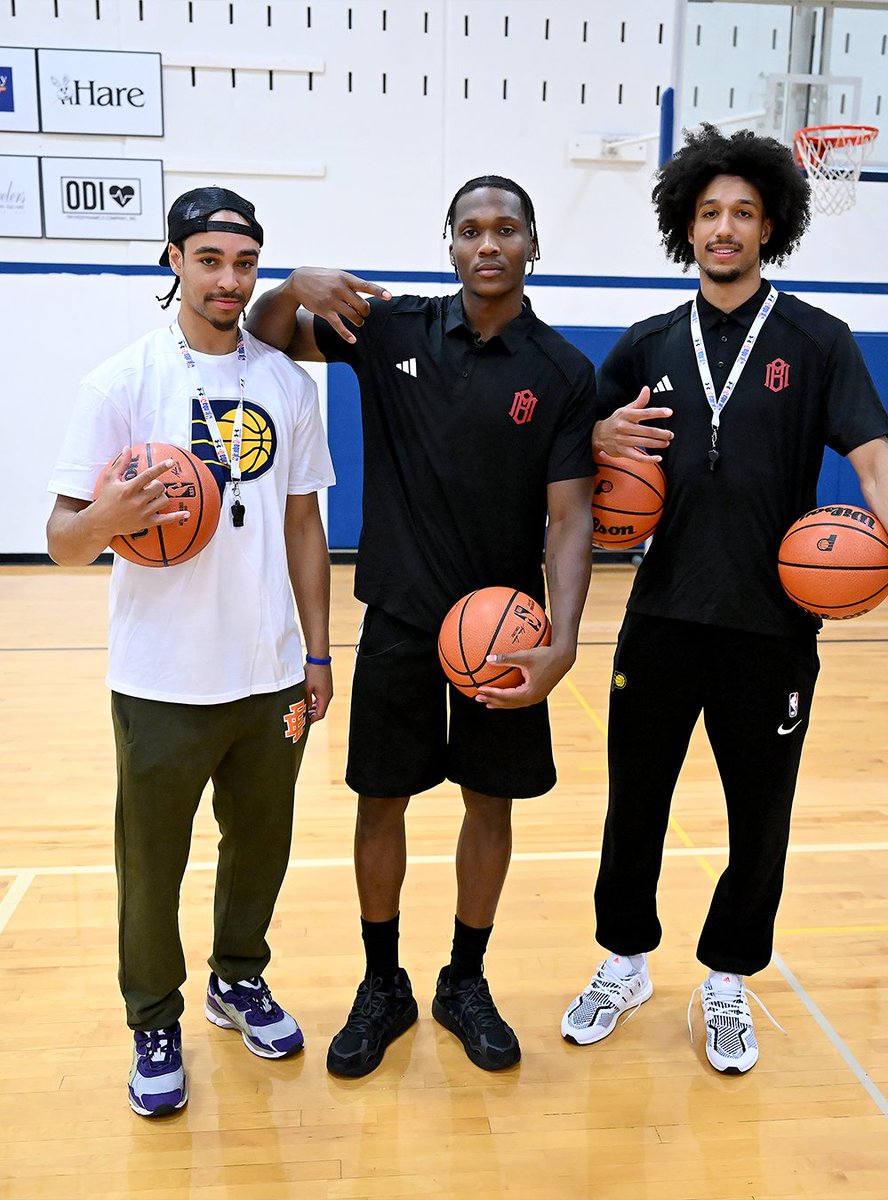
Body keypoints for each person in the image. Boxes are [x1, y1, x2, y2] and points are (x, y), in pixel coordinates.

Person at [560, 125, 888, 1073]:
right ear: (684, 227)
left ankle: (729, 978)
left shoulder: (820, 342)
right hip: (659, 616)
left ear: (769, 224)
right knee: (635, 805)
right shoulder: (648, 342)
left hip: (772, 627)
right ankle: (625, 961)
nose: (724, 228)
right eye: (708, 213)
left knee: (759, 815)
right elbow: (570, 467)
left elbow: (878, 466)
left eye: (742, 212)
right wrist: (596, 438)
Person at [246, 174, 596, 1077]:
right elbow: (262, 338)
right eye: (471, 229)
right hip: (400, 618)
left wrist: (561, 641)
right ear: (448, 245)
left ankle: (464, 981)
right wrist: (289, 286)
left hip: (504, 630)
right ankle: (382, 983)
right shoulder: (391, 329)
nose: (489, 243)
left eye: (507, 228)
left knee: (492, 803)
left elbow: (569, 518)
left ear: (531, 246)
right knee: (383, 802)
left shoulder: (562, 372)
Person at [47, 187, 336, 1116]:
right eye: (210, 260)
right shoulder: (123, 383)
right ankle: (153, 1019)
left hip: (268, 673)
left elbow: (303, 526)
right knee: (152, 860)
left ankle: (237, 976)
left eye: (244, 264)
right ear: (173, 260)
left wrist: (319, 652)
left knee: (261, 847)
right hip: (161, 677)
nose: (228, 280)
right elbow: (60, 539)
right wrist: (108, 517)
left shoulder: (289, 385)